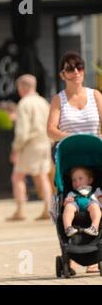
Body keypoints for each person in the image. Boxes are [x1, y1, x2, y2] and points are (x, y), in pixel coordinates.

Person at [47, 51, 102, 273]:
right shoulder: (58, 99)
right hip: (69, 158)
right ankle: (70, 251)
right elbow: (50, 129)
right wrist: (68, 137)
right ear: (63, 74)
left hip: (94, 157)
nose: (76, 72)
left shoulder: (96, 95)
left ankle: (95, 249)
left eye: (79, 67)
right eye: (70, 68)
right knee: (65, 202)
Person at [6, 74, 52, 221]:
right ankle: (48, 208)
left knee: (17, 176)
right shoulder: (44, 102)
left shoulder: (24, 103)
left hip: (30, 144)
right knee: (42, 176)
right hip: (45, 143)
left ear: (23, 87)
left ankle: (20, 210)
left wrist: (16, 149)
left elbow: (22, 131)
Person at [63, 167, 101, 237]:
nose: (77, 182)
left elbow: (100, 201)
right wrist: (66, 203)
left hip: (90, 203)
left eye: (80, 178)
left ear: (90, 180)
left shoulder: (96, 191)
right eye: (74, 180)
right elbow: (65, 204)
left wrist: (99, 199)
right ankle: (68, 227)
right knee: (68, 207)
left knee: (95, 207)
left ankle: (94, 227)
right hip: (76, 204)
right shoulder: (72, 193)